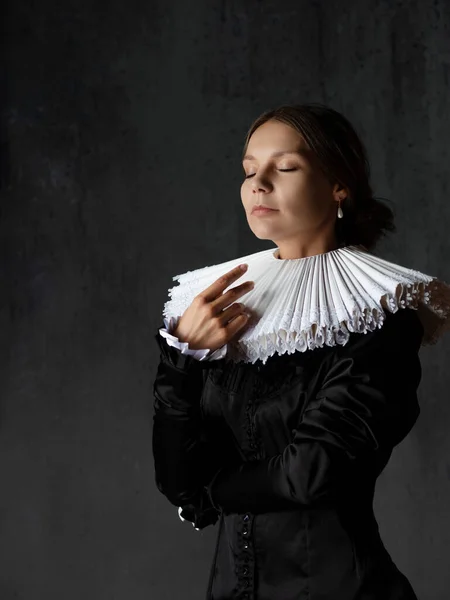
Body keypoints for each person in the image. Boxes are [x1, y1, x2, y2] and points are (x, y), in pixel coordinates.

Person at [152, 103, 450, 600]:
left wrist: (211, 490)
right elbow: (175, 480)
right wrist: (181, 359)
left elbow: (313, 472)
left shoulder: (378, 316)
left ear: (339, 186)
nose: (258, 184)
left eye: (284, 167)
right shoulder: (211, 307)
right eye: (249, 171)